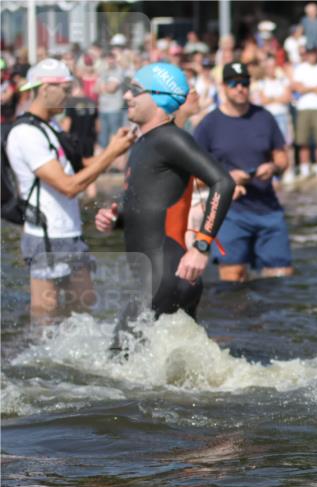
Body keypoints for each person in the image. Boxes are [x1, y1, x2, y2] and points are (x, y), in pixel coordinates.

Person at [93, 64, 235, 341]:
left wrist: (201, 246)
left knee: (117, 368)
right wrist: (117, 219)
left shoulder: (170, 138)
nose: (125, 97)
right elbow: (153, 207)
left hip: (165, 276)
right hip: (163, 276)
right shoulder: (145, 142)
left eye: (135, 90)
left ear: (158, 96)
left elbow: (224, 183)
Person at [6, 58, 135, 322]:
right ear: (43, 89)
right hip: (45, 237)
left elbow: (78, 167)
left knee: (85, 309)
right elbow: (68, 186)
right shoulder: (26, 134)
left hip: (71, 232)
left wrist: (117, 147)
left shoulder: (51, 127)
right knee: (45, 316)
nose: (70, 95)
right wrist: (110, 154)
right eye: (65, 89)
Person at [193, 62, 292, 283]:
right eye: (234, 83)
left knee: (282, 278)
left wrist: (273, 168)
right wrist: (225, 179)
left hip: (268, 208)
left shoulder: (264, 117)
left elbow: (282, 157)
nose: (240, 88)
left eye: (245, 83)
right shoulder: (209, 124)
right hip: (229, 212)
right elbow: (192, 175)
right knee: (233, 280)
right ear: (223, 87)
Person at [292, 48, 317, 178]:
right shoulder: (300, 69)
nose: (312, 56)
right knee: (303, 140)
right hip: (303, 108)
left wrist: (307, 88)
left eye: (314, 53)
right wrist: (316, 88)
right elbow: (297, 88)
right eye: (309, 53)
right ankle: (305, 170)